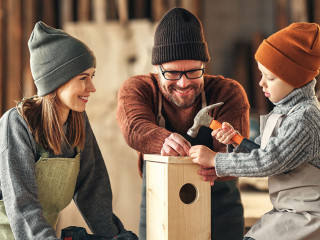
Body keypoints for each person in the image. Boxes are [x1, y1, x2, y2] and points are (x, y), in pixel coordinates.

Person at [116, 7, 250, 240]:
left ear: (204, 65)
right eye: (172, 74)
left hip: (221, 213)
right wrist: (162, 140)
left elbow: (235, 159)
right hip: (160, 207)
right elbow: (134, 128)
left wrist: (221, 158)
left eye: (192, 71)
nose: (183, 83)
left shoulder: (228, 93)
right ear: (157, 69)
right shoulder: (138, 89)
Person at [0, 22, 137, 240]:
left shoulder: (77, 121)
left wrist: (115, 236)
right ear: (57, 82)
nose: (91, 87)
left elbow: (93, 191)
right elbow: (22, 206)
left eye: (92, 76)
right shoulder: (17, 124)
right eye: (83, 78)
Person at [189, 22, 320, 240]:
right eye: (261, 75)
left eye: (270, 78)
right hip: (287, 212)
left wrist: (215, 160)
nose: (261, 83)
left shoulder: (305, 118)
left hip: (308, 217)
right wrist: (235, 141)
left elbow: (268, 161)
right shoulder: (282, 112)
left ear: (295, 78)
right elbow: (260, 150)